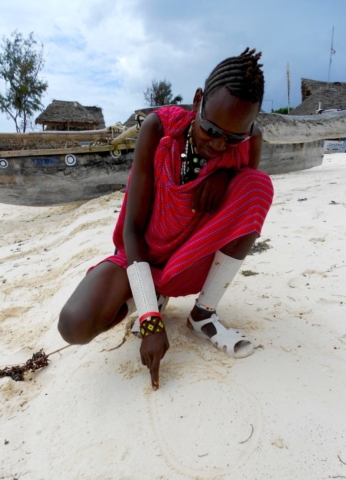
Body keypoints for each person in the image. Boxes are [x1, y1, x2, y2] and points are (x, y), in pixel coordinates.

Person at [58, 48, 274, 391]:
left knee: (257, 185)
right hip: (140, 252)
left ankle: (203, 313)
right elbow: (131, 228)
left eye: (234, 138)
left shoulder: (248, 144)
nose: (220, 145)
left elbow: (242, 203)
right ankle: (149, 298)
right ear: (198, 100)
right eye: (211, 130)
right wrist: (150, 320)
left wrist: (227, 173)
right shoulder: (159, 129)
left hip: (187, 262)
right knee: (74, 325)